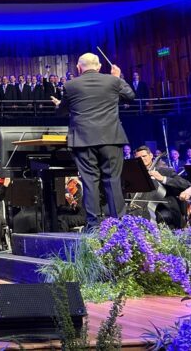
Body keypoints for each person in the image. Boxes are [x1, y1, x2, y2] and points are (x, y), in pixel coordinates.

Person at [52, 53, 135, 229]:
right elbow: (130, 96)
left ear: (78, 67)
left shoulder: (70, 85)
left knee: (90, 182)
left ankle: (93, 226)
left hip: (83, 140)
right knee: (113, 180)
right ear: (99, 66)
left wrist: (59, 104)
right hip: (111, 138)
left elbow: (61, 112)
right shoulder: (112, 81)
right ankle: (119, 224)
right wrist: (117, 77)